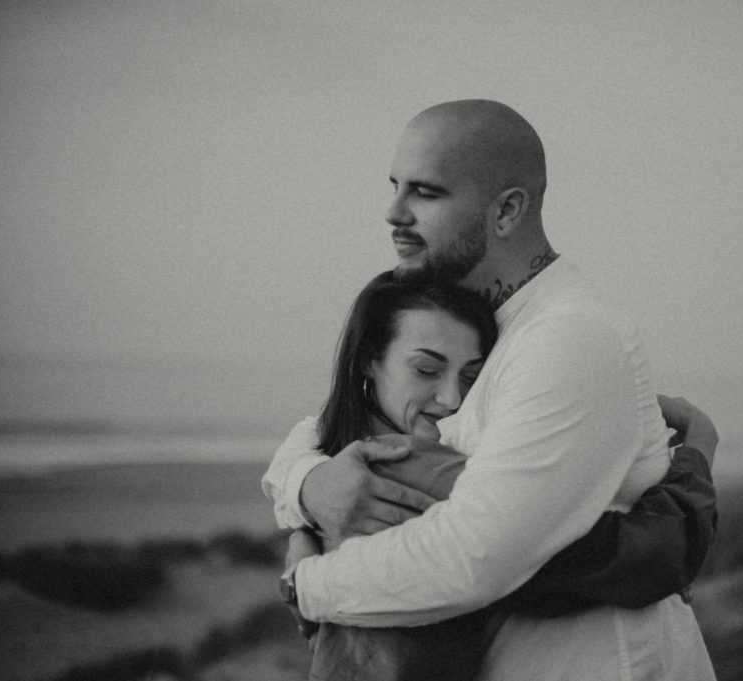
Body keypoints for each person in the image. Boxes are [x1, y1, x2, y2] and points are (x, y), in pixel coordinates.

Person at [265, 99, 717, 680]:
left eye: (425, 193)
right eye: (395, 185)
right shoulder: (472, 327)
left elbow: (474, 556)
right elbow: (335, 423)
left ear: (506, 212)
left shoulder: (570, 336)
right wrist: (306, 486)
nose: (392, 211)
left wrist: (304, 583)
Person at [275, 271, 716, 680]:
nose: (451, 398)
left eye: (471, 377)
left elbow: (300, 445)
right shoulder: (411, 466)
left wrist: (300, 487)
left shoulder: (335, 450)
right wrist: (698, 448)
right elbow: (649, 556)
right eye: (426, 370)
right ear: (369, 361)